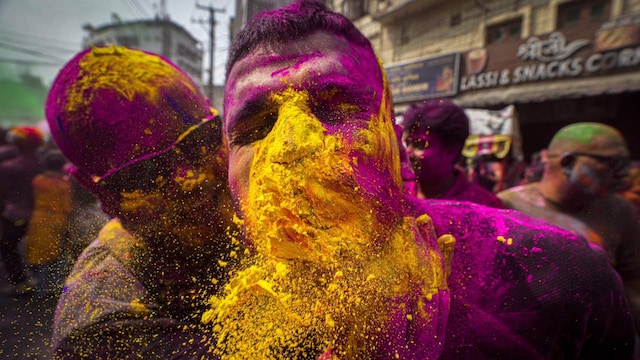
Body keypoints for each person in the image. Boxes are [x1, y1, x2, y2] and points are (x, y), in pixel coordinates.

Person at [206, 1, 635, 358]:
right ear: (227, 173)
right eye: (256, 127)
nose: (292, 145)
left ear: (399, 152)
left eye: (335, 108)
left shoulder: (554, 278)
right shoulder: (216, 311)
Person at [45, 45, 241, 358]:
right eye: (145, 173)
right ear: (97, 190)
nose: (190, 179)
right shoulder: (104, 328)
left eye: (199, 141)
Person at [498, 122, 640, 332]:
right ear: (568, 162)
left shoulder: (620, 210)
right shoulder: (507, 206)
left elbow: (634, 282)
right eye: (611, 163)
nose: (622, 175)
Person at [401, 99, 505, 208]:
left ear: (451, 150)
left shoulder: (484, 206)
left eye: (420, 145)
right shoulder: (397, 197)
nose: (408, 152)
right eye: (407, 144)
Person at [0, 126, 43, 295]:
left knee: (8, 248)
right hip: (40, 214)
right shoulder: (42, 164)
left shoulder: (8, 167)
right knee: (36, 247)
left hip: (14, 215)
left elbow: (2, 193)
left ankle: (21, 284)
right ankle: (41, 282)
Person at [25, 149, 72, 297]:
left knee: (41, 255)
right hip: (57, 221)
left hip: (38, 220)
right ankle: (57, 288)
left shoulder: (38, 180)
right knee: (58, 255)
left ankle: (41, 289)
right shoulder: (63, 184)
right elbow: (67, 207)